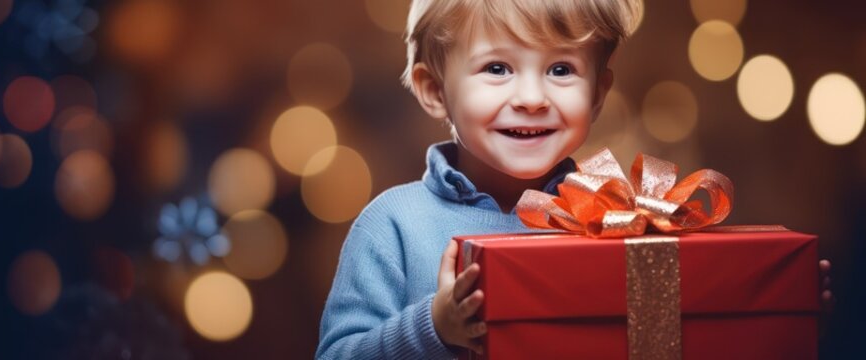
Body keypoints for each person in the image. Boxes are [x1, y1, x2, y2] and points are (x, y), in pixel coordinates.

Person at [316, 0, 833, 359]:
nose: (533, 97)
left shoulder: (618, 218)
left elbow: (668, 330)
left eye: (561, 70)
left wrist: (775, 296)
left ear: (598, 93)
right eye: (497, 68)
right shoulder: (393, 225)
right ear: (433, 90)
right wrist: (435, 327)